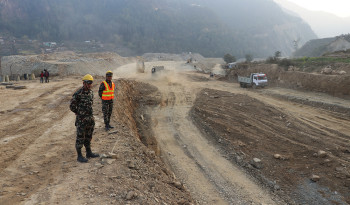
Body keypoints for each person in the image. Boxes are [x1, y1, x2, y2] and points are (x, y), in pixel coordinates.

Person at [70, 74, 99, 163]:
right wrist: (78, 113)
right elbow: (72, 106)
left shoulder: (91, 92)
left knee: (88, 136)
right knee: (80, 137)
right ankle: (79, 156)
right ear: (84, 83)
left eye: (91, 83)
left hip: (90, 119)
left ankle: (88, 152)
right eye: (88, 83)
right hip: (81, 120)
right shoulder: (78, 93)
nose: (90, 84)